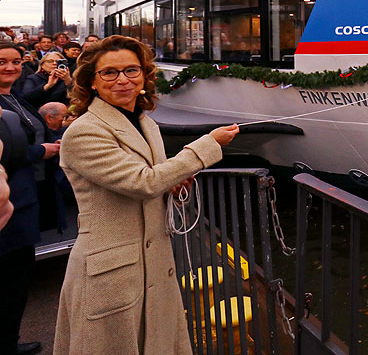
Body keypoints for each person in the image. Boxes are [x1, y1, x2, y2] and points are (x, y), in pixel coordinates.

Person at [53, 35, 239, 355]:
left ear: (143, 76)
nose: (122, 79)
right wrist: (208, 145)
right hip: (111, 268)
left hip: (152, 260)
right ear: (92, 83)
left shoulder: (144, 122)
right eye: (109, 73)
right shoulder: (84, 132)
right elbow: (143, 183)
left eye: (131, 70)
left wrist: (175, 182)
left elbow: (156, 179)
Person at [0, 42, 62, 355]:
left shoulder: (12, 95)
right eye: (2, 62)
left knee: (17, 277)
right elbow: (8, 150)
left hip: (26, 195)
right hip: (9, 203)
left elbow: (27, 115)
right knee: (10, 279)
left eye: (16, 62)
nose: (10, 68)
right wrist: (41, 151)